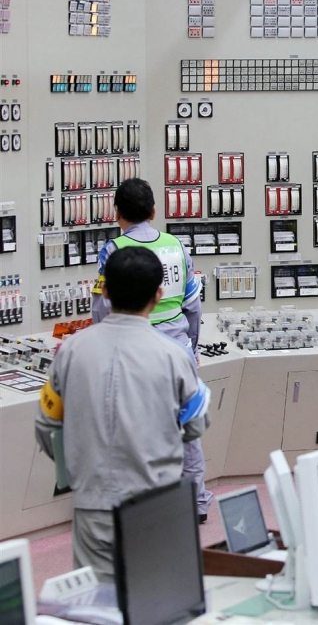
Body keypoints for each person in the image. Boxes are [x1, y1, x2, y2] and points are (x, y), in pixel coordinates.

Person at [36, 247, 210, 581]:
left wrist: (76, 468)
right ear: (158, 295)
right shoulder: (175, 356)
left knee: (97, 605)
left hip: (94, 503)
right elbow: (196, 424)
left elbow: (47, 427)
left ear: (107, 293)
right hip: (155, 501)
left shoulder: (70, 351)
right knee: (157, 598)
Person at [91, 178, 214, 520]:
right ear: (154, 211)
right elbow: (193, 306)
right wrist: (193, 348)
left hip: (133, 353)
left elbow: (102, 308)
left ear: (117, 213)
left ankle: (134, 510)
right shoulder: (176, 247)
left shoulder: (114, 251)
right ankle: (197, 504)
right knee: (188, 430)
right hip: (178, 350)